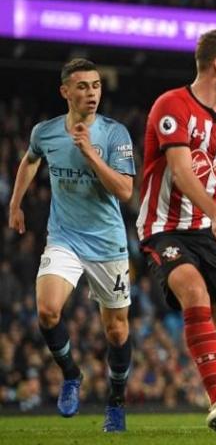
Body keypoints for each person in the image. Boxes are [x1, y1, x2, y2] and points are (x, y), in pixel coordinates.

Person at [136, 29, 216, 436]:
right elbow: (182, 172)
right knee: (194, 290)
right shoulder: (172, 105)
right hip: (165, 230)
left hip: (213, 233)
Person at [8, 58, 135, 432]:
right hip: (64, 237)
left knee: (116, 331)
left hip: (108, 244)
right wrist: (16, 204)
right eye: (82, 86)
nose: (91, 93)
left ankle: (115, 400)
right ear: (65, 91)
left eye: (96, 86)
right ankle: (71, 375)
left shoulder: (114, 134)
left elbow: (125, 191)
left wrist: (91, 154)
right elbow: (30, 161)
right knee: (47, 311)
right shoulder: (45, 132)